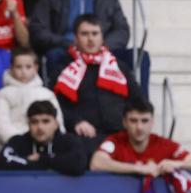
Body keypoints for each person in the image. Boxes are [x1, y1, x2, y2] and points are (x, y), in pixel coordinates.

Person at [54, 14, 143, 153]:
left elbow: (138, 100)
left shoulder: (119, 66)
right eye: (85, 34)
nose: (90, 39)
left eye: (95, 34)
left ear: (102, 37)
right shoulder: (64, 67)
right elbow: (55, 105)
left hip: (120, 134)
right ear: (76, 38)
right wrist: (76, 122)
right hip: (83, 136)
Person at [90, 98, 191, 176]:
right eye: (133, 121)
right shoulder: (115, 141)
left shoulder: (164, 145)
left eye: (144, 121)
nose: (139, 127)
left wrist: (176, 164)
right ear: (124, 122)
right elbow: (96, 163)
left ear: (152, 122)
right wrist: (138, 168)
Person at [0, 47, 62, 149]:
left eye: (28, 67)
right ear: (11, 68)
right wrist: (21, 144)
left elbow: (58, 123)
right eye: (19, 67)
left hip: (45, 146)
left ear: (36, 68)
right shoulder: (3, 94)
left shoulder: (47, 94)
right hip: (12, 146)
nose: (23, 71)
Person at [0, 100, 85, 175]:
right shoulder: (18, 141)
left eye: (46, 121)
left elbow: (79, 163)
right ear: (28, 125)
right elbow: (3, 162)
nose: (40, 127)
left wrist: (42, 159)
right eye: (34, 122)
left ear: (56, 124)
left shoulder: (68, 140)